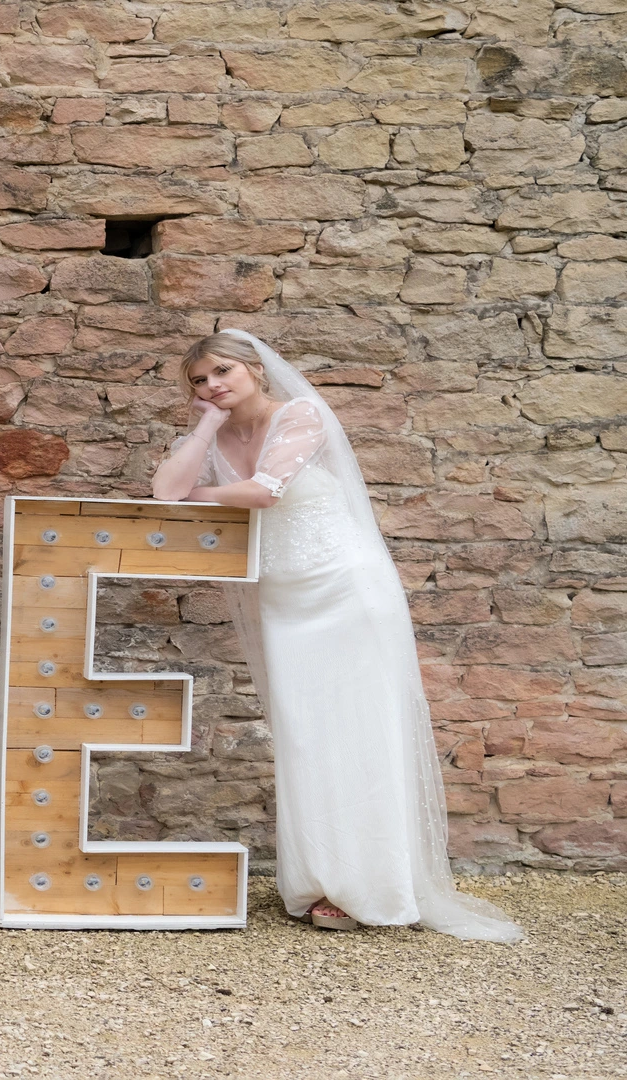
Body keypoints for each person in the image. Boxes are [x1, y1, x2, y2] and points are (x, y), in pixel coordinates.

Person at [150, 328, 522, 942]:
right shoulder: (217, 431)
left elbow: (265, 493)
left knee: (361, 732)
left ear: (255, 371)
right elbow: (164, 493)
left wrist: (201, 494)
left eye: (223, 372)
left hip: (346, 592)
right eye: (199, 380)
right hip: (286, 598)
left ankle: (372, 886)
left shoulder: (302, 415)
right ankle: (322, 878)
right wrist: (206, 431)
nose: (213, 385)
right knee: (304, 734)